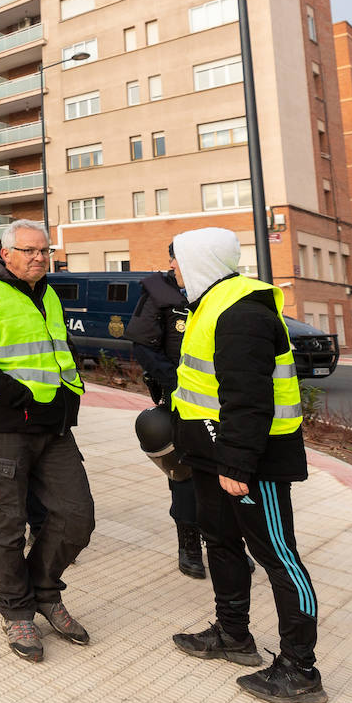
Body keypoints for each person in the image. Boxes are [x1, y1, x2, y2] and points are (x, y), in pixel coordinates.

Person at [169, 228, 327, 703]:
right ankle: (234, 635)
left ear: (198, 262)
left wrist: (236, 465)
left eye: (176, 260)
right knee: (219, 542)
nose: (172, 269)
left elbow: (249, 398)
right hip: (214, 456)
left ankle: (301, 670)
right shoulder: (210, 304)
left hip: (252, 461)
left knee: (280, 558)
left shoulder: (242, 312)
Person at [0, 219, 92, 662]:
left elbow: (59, 350)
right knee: (8, 525)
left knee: (77, 516)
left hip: (54, 428)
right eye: (30, 250)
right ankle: (16, 611)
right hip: (6, 429)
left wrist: (69, 399)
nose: (39, 257)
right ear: (6, 253)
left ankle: (44, 592)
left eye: (44, 251)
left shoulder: (48, 292)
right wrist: (20, 397)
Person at [121, 246, 202, 577]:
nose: (171, 265)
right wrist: (176, 385)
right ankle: (189, 545)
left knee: (226, 474)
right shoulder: (158, 292)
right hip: (178, 398)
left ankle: (226, 541)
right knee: (183, 474)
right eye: (171, 257)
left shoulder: (216, 291)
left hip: (218, 401)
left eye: (178, 259)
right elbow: (143, 346)